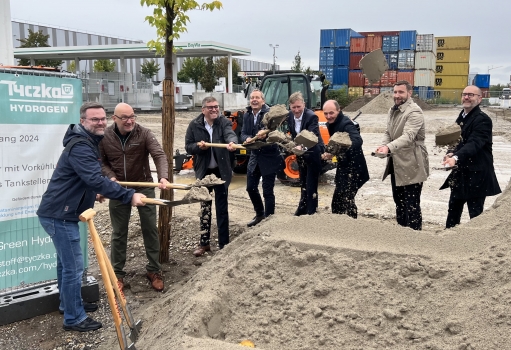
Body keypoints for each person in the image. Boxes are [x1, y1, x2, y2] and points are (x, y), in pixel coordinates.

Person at [37, 102, 146, 332]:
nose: (100, 122)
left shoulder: (88, 142)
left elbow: (84, 179)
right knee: (73, 267)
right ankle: (74, 318)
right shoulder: (81, 146)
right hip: (60, 215)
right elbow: (95, 179)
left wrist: (92, 193)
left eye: (102, 119)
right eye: (94, 119)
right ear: (83, 121)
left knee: (65, 265)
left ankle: (68, 305)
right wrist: (129, 196)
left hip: (62, 211)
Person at [99, 103, 169, 292]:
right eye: (125, 118)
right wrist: (110, 176)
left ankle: (154, 270)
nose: (130, 121)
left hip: (143, 186)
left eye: (132, 116)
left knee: (150, 229)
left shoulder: (144, 133)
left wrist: (163, 176)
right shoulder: (105, 136)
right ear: (114, 119)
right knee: (119, 232)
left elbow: (159, 155)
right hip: (118, 189)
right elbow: (101, 161)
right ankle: (117, 274)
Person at [440, 85, 501, 228]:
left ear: (479, 99)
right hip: (461, 173)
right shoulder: (462, 115)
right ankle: (449, 239)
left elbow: (474, 143)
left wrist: (455, 158)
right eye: (464, 94)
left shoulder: (483, 119)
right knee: (453, 210)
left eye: (471, 95)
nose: (466, 97)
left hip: (477, 174)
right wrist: (451, 152)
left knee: (475, 214)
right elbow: (457, 139)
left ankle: (474, 243)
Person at [185, 97, 238, 257]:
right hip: (204, 173)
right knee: (205, 208)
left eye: (216, 107)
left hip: (221, 172)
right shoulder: (194, 125)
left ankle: (224, 245)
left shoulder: (223, 122)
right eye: (210, 107)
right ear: (203, 110)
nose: (214, 110)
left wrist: (231, 143)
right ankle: (204, 243)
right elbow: (188, 146)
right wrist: (198, 147)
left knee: (222, 209)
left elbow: (230, 135)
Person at [375, 80, 429, 231]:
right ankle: (400, 234)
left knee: (411, 204)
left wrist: (388, 147)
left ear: (409, 93)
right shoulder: (393, 110)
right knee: (399, 202)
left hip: (412, 162)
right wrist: (383, 145)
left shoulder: (414, 111)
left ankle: (414, 236)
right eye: (395, 92)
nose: (397, 95)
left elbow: (409, 136)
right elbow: (388, 132)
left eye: (401, 92)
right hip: (396, 163)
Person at [241, 89, 284, 227]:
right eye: (252, 97)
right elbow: (243, 133)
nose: (254, 100)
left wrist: (266, 135)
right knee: (250, 187)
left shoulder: (270, 114)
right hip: (254, 156)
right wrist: (246, 138)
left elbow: (278, 132)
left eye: (257, 98)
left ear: (263, 101)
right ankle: (260, 214)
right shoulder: (247, 115)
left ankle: (269, 220)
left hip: (269, 156)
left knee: (267, 191)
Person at [322, 100, 369, 218]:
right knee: (340, 202)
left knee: (345, 201)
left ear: (339, 110)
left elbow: (358, 141)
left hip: (355, 169)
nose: (328, 116)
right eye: (326, 113)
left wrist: (337, 150)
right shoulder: (330, 124)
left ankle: (349, 227)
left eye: (331, 113)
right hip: (343, 167)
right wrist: (331, 152)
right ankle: (344, 227)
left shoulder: (346, 123)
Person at [287, 91, 324, 215]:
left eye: (299, 106)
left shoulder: (311, 116)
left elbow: (311, 138)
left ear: (304, 104)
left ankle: (311, 212)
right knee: (302, 182)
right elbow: (293, 135)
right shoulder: (290, 116)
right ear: (290, 107)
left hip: (313, 153)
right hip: (301, 155)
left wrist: (298, 148)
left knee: (311, 185)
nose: (296, 110)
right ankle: (302, 207)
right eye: (294, 107)